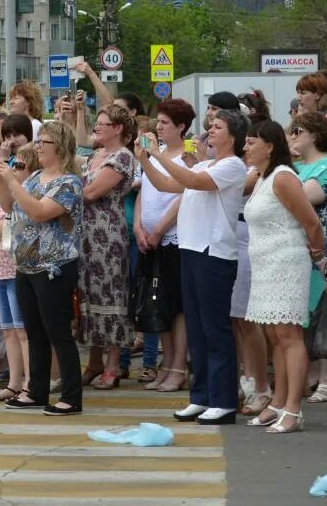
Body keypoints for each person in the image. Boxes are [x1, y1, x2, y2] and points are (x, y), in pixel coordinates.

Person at [139, 109, 250, 425]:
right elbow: (165, 184)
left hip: (214, 252)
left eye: (218, 126)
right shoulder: (203, 163)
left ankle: (224, 400)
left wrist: (159, 153)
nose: (210, 130)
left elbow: (192, 181)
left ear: (234, 136)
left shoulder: (233, 165)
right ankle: (201, 396)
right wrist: (146, 158)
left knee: (215, 329)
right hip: (191, 249)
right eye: (211, 126)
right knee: (198, 330)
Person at [0, 121, 85, 415]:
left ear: (58, 146)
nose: (37, 147)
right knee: (35, 332)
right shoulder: (33, 177)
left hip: (54, 265)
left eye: (43, 142)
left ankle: (72, 395)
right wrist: (1, 180)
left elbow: (40, 212)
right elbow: (9, 208)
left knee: (58, 331)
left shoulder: (68, 182)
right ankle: (36, 391)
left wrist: (13, 182)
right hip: (27, 264)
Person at [241, 120, 326, 434]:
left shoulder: (283, 176)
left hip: (286, 263)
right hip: (266, 265)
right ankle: (277, 403)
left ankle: (293, 409)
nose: (246, 148)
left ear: (270, 146)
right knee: (274, 336)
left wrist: (317, 253)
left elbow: (311, 222)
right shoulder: (263, 177)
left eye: (252, 143)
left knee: (290, 337)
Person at [136, 99, 194, 393]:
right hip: (150, 238)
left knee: (177, 305)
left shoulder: (188, 157)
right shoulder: (153, 156)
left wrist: (159, 229)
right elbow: (145, 191)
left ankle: (178, 366)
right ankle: (167, 361)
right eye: (157, 122)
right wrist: (139, 227)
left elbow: (181, 195)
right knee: (159, 303)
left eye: (164, 123)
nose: (158, 128)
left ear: (181, 127)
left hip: (174, 237)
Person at [79, 104, 137, 390]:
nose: (97, 126)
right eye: (97, 122)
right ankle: (94, 361)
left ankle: (113, 365)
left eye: (103, 123)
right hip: (86, 234)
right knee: (89, 296)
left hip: (109, 234)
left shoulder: (123, 157)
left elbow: (90, 192)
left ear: (118, 128)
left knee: (111, 297)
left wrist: (63, 191)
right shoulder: (94, 155)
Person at [288, 112, 327, 405]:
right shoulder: (294, 167)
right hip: (296, 248)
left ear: (315, 135)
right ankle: (307, 375)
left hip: (325, 250)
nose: (293, 136)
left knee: (323, 312)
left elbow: (306, 197)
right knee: (303, 314)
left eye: (298, 131)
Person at [0, 142, 37, 402]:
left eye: (19, 166)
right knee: (8, 330)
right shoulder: (8, 194)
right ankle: (15, 382)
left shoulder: (31, 194)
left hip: (17, 270)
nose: (14, 170)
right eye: (13, 164)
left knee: (23, 331)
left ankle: (30, 382)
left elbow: (12, 222)